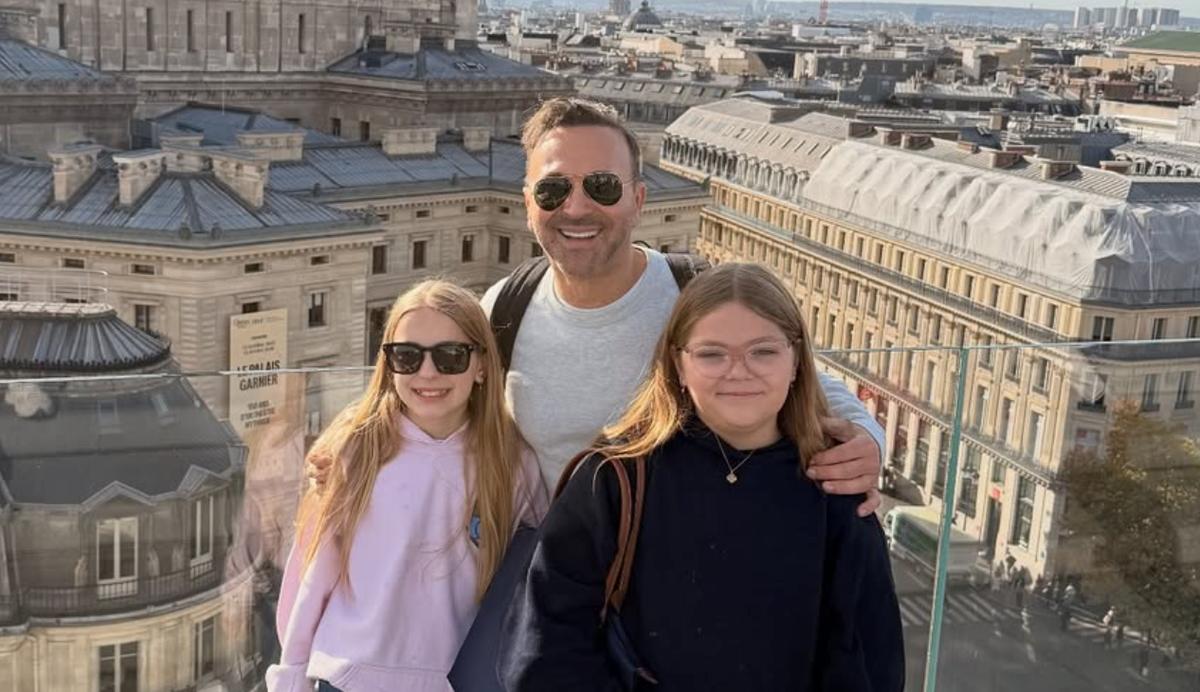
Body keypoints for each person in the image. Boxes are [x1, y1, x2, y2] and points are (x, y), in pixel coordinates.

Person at [310, 97, 886, 510]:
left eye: (602, 187)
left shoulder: (693, 295)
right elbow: (421, 379)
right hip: (561, 587)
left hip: (685, 585)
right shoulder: (507, 306)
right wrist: (346, 442)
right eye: (554, 189)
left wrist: (867, 442)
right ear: (529, 205)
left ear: (638, 199)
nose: (577, 208)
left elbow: (805, 379)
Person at [500, 263, 905, 691]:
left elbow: (868, 663)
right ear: (679, 365)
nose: (739, 371)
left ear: (796, 363)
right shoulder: (616, 478)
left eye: (763, 352)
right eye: (712, 354)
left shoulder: (836, 487)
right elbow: (544, 646)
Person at [267, 281, 547, 692]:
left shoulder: (511, 462)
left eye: (450, 356)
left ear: (482, 365)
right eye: (407, 356)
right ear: (388, 365)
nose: (427, 372)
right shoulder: (357, 449)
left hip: (457, 680)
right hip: (347, 676)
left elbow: (530, 579)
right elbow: (313, 574)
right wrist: (292, 672)